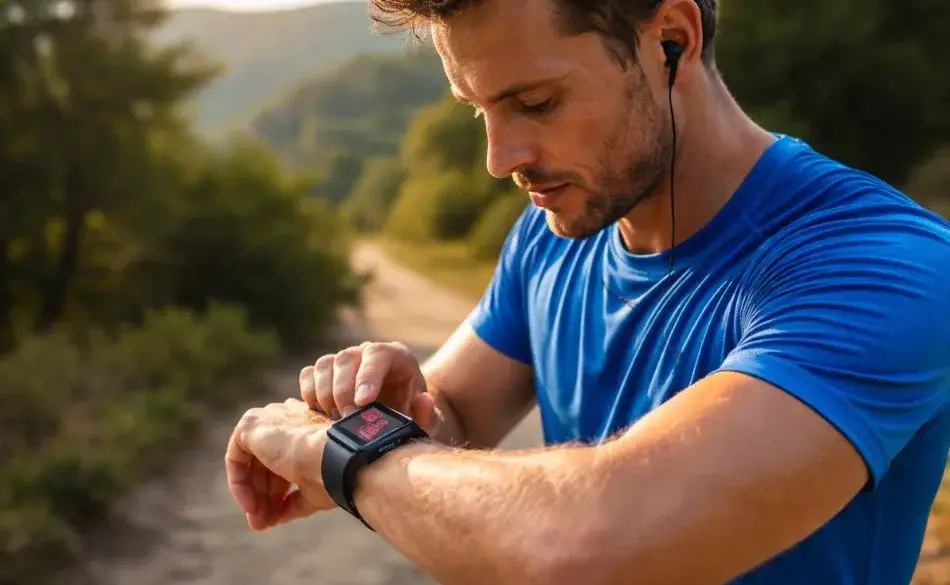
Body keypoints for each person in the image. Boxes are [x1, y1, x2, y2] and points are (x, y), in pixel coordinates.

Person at [224, 0, 950, 583]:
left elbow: (595, 547)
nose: (498, 157)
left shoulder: (882, 264)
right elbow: (444, 413)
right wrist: (382, 410)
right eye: (479, 109)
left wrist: (351, 457)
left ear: (670, 39)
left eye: (535, 102)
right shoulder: (555, 230)